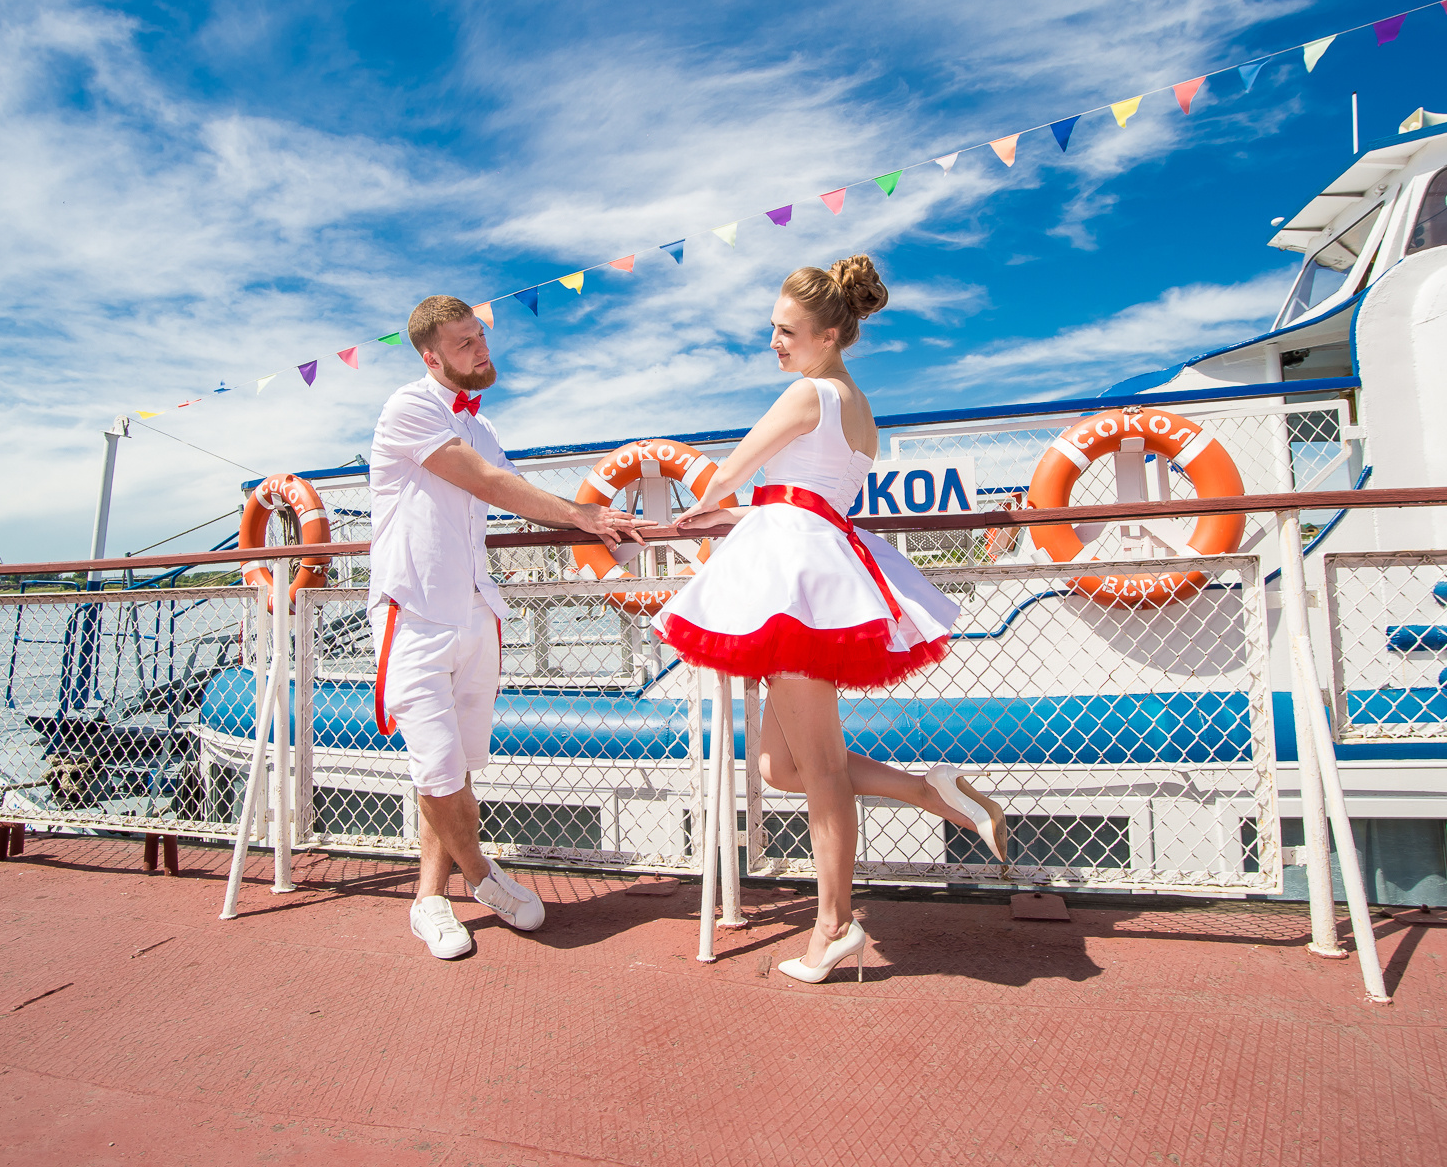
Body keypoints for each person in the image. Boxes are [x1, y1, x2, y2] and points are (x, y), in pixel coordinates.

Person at [653, 256, 1007, 983]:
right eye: (773, 330)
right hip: (813, 556)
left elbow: (729, 471)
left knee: (816, 774)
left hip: (792, 578)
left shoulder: (808, 393)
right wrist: (739, 512)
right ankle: (928, 790)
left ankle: (834, 929)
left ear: (830, 333)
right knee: (780, 766)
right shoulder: (857, 404)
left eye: (786, 331)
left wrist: (690, 515)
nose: (774, 343)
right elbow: (806, 493)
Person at [365, 295, 643, 960]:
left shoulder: (483, 428)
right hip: (414, 616)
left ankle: (430, 901)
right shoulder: (409, 408)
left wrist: (609, 528)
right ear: (431, 356)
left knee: (457, 766)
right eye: (463, 344)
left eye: (480, 336)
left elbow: (517, 496)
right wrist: (585, 516)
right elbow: (488, 484)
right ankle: (485, 876)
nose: (480, 350)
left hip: (476, 615)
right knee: (435, 769)